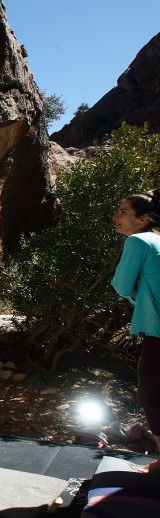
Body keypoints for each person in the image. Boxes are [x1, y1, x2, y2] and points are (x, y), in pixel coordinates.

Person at [111, 189, 160, 473]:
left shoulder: (139, 241)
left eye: (124, 212)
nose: (116, 217)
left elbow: (121, 285)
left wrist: (135, 295)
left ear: (143, 218)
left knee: (153, 392)